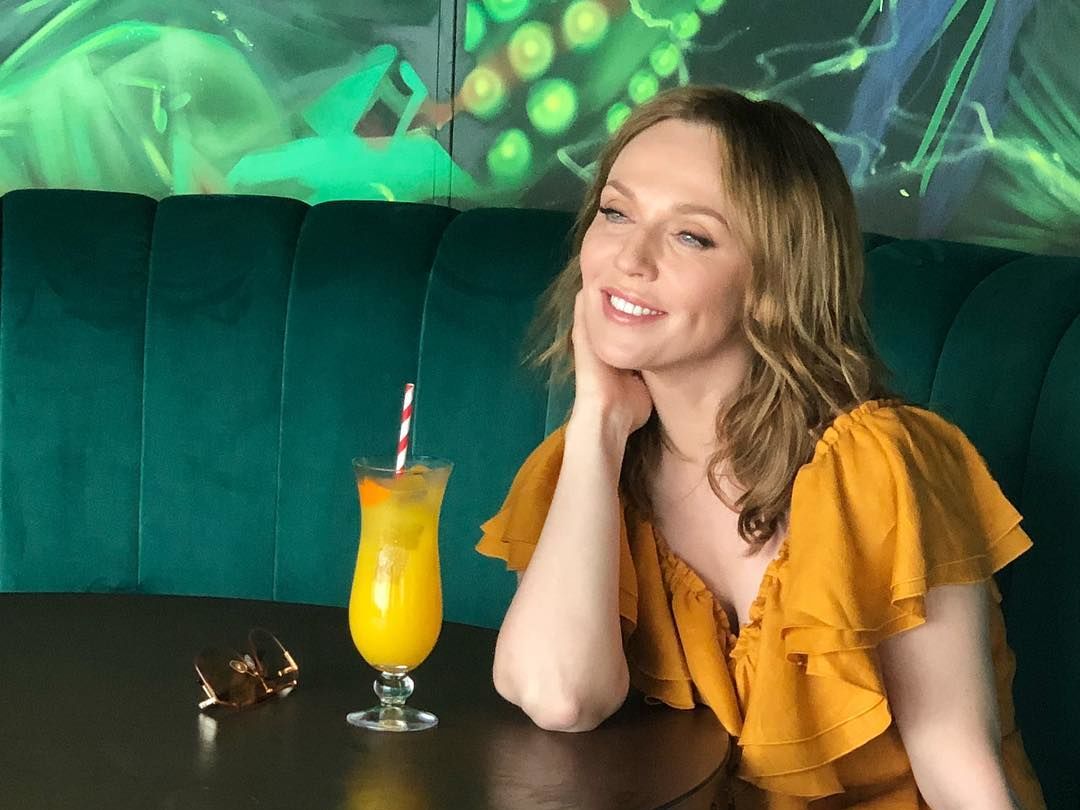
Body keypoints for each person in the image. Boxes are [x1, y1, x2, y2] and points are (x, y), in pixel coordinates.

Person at [474, 85, 1046, 808]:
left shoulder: (881, 465)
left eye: (691, 236)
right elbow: (559, 697)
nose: (629, 259)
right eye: (615, 213)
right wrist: (597, 422)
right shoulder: (587, 468)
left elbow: (958, 767)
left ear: (776, 277)